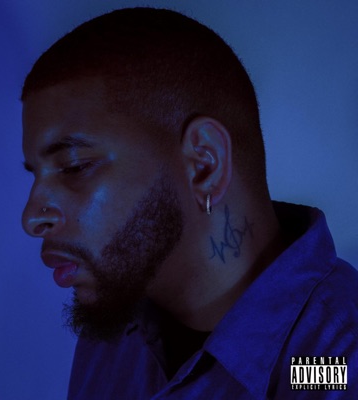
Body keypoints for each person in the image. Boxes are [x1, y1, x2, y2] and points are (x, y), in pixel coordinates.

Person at [20, 7, 358, 399]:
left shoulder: (335, 361)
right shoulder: (113, 336)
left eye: (74, 166)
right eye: (35, 174)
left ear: (203, 164)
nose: (31, 218)